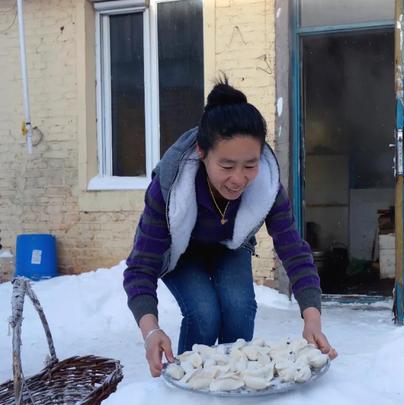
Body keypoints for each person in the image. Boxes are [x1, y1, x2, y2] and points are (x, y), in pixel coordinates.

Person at [123, 78, 337, 377]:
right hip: (180, 253)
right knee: (204, 314)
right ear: (201, 152)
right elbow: (140, 268)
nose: (238, 179)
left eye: (250, 165)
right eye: (226, 166)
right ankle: (187, 390)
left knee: (239, 308)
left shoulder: (267, 186)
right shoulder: (170, 186)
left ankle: (237, 384)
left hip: (230, 246)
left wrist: (312, 318)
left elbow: (293, 250)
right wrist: (150, 331)